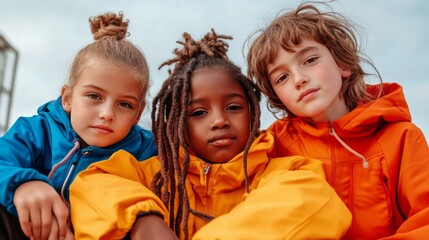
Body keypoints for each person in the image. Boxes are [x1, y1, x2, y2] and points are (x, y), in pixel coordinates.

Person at [69, 29, 351, 240]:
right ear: (177, 124)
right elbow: (91, 184)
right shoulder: (155, 176)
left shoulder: (289, 172)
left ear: (253, 113)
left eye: (233, 107)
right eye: (198, 113)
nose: (219, 120)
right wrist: (143, 218)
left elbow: (307, 202)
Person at [246, 2, 429, 239]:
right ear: (276, 95)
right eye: (282, 77)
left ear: (342, 64)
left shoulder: (402, 138)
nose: (299, 79)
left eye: (310, 60)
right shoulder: (274, 147)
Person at [0, 12, 157, 240]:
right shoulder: (36, 131)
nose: (107, 114)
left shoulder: (148, 152)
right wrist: (24, 183)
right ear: (68, 98)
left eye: (125, 104)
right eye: (94, 96)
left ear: (138, 114)